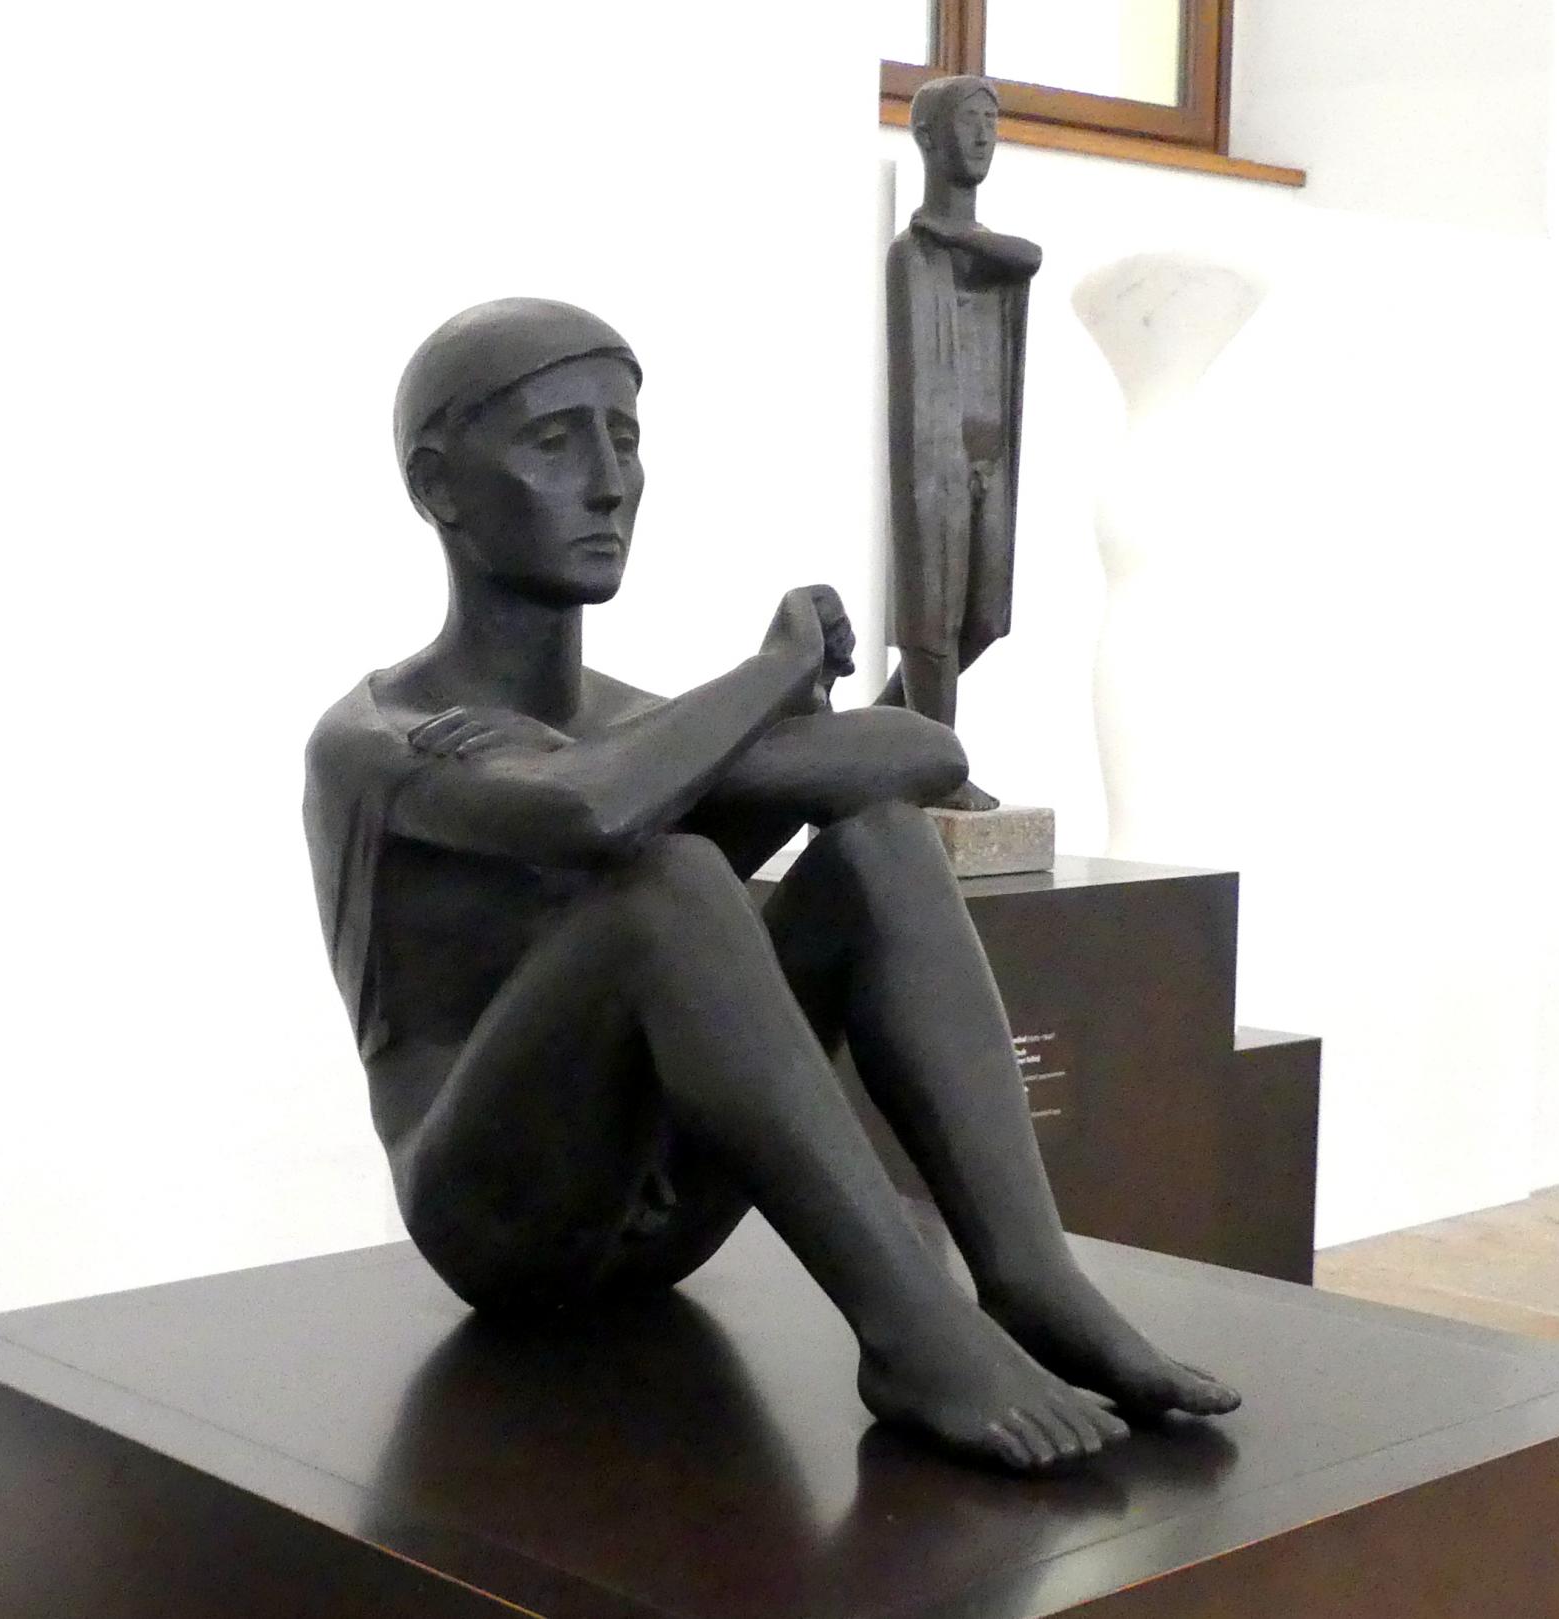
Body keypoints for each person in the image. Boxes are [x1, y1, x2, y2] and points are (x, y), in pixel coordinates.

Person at [303, 297, 1236, 1473]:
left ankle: (1029, 1271)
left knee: (878, 845)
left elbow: (916, 757)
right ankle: (911, 1330)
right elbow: (591, 812)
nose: (608, 485)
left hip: (664, 1211)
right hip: (499, 1224)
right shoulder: (379, 738)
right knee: (669, 881)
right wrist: (773, 676)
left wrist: (689, 742)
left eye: (624, 439)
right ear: (438, 484)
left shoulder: (638, 729)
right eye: (553, 442)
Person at [879, 76, 1043, 810]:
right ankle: (936, 768)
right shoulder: (912, 256)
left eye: (991, 122)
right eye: (969, 120)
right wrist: (944, 236)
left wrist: (959, 235)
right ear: (926, 137)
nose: (983, 136)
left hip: (991, 456)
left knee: (983, 620)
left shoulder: (986, 255)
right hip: (934, 463)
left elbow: (1029, 255)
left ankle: (879, 731)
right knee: (932, 622)